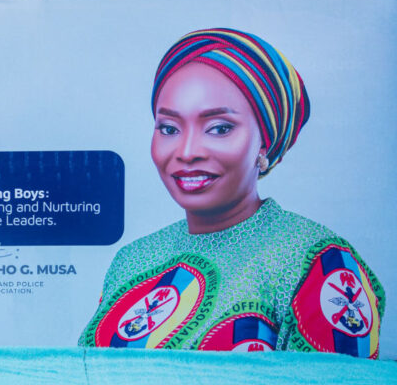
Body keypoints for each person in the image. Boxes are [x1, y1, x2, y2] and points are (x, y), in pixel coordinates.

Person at [79, 28, 385, 358]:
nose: (187, 152)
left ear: (264, 143)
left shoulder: (319, 262)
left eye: (219, 128)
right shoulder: (133, 260)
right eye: (169, 128)